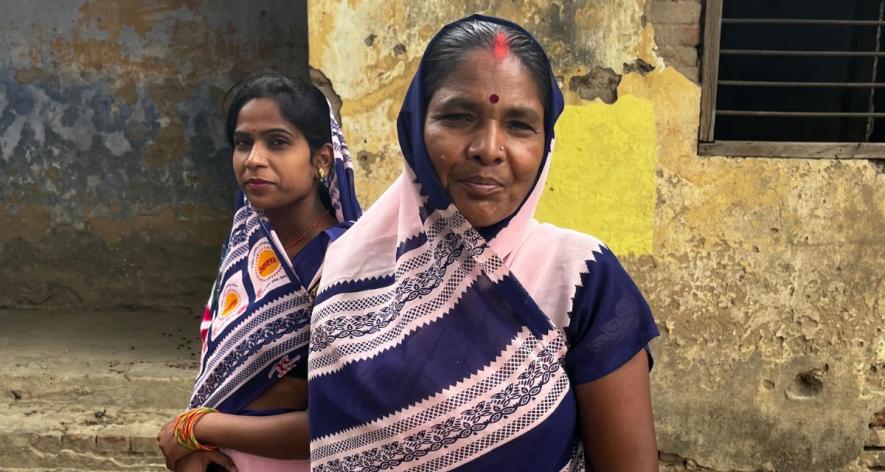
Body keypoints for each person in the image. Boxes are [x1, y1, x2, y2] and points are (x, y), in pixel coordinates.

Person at [306, 15, 659, 471]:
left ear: (545, 141)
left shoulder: (579, 277)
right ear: (417, 126)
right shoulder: (346, 270)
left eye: (519, 124)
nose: (489, 148)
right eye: (458, 117)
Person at [157, 74, 361, 471]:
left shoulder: (344, 262)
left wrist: (197, 428)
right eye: (243, 143)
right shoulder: (247, 250)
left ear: (321, 158)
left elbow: (339, 419)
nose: (254, 159)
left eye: (278, 142)